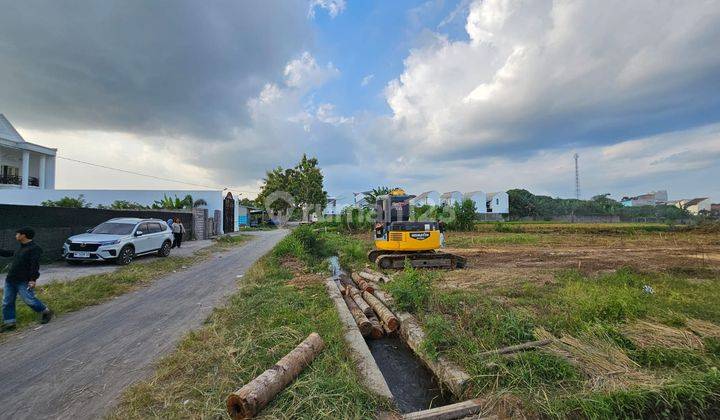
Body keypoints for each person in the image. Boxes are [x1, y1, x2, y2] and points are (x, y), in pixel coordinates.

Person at [0, 227, 53, 332]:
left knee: (30, 300)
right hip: (10, 280)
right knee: (7, 302)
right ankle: (10, 323)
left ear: (23, 235)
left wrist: (33, 280)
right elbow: (8, 253)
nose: (16, 236)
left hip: (23, 281)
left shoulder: (34, 248)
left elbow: (34, 265)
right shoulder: (21, 248)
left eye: (17, 234)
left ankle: (46, 311)